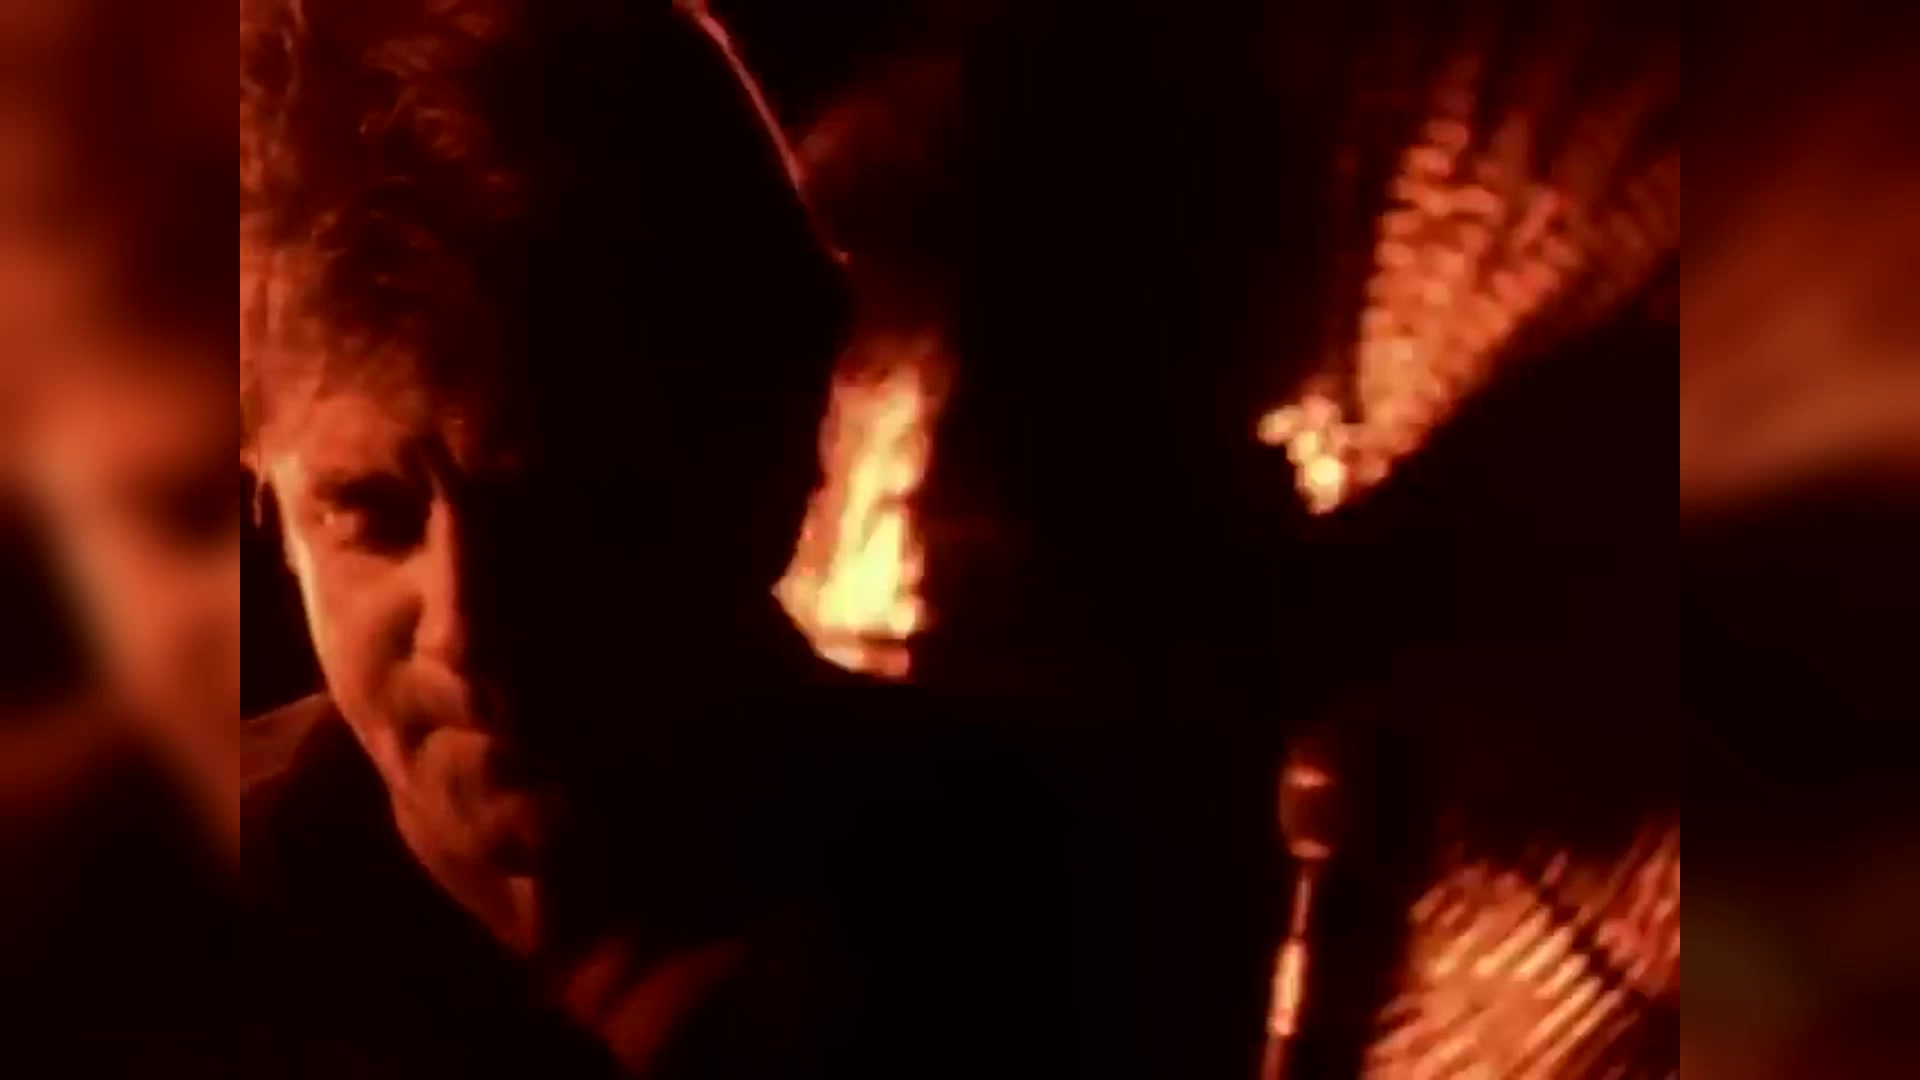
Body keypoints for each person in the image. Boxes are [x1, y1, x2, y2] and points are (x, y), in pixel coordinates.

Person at [239, 2, 1076, 1076]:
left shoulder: (1060, 908)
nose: (465, 629)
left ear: (767, 459)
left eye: (558, 506)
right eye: (370, 514)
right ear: (270, 505)